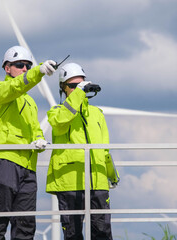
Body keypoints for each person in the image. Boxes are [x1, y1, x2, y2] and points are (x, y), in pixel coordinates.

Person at [0, 45, 56, 240]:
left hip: (27, 166)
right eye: (20, 65)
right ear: (7, 68)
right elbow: (15, 87)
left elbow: (34, 127)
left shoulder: (29, 102)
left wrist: (39, 137)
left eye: (28, 65)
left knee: (25, 224)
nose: (25, 69)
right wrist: (37, 71)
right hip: (4, 160)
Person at [46, 63, 119, 240]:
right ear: (63, 88)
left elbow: (104, 150)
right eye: (72, 86)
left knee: (102, 233)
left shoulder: (97, 113)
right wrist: (78, 94)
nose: (78, 89)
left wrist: (111, 175)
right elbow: (63, 120)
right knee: (72, 234)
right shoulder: (56, 112)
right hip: (70, 182)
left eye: (80, 85)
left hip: (98, 182)